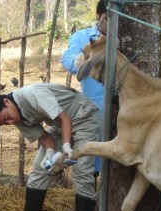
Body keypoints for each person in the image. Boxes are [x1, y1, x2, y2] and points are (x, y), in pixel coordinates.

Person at [0, 83, 101, 211]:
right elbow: (45, 137)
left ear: (6, 102)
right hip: (59, 125)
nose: (10, 122)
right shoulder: (16, 118)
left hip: (84, 117)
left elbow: (65, 118)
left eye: (7, 118)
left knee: (82, 170)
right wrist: (50, 153)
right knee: (39, 168)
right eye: (5, 123)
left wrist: (65, 147)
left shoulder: (31, 95)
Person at [61, 0, 108, 183]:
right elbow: (67, 59)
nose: (111, 24)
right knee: (92, 161)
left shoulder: (125, 36)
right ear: (99, 15)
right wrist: (80, 58)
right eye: (107, 18)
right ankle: (91, 205)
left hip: (124, 108)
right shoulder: (82, 37)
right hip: (95, 108)